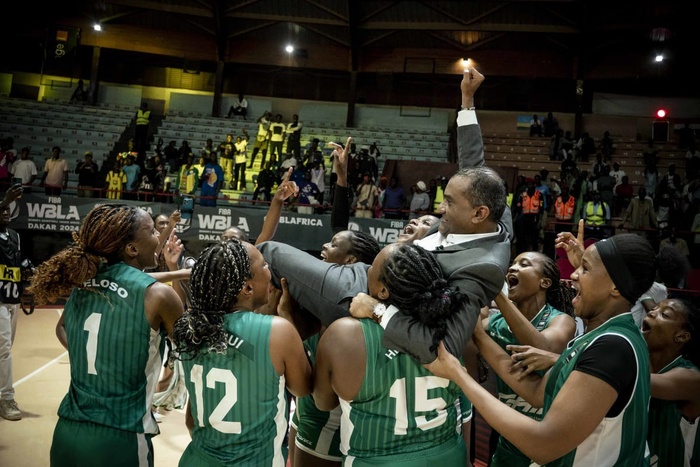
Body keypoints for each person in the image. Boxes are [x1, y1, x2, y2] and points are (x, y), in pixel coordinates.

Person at [259, 67, 513, 365]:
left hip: (366, 294)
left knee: (267, 252)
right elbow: (474, 163)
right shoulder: (494, 210)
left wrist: (377, 310)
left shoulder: (483, 267)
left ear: (478, 213)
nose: (440, 209)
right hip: (365, 273)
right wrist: (467, 100)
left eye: (450, 203)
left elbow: (446, 346)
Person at [426, 233, 656, 466]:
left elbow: (543, 445)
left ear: (615, 287)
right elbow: (536, 392)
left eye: (584, 269)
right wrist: (479, 337)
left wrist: (459, 375)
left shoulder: (612, 345)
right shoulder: (602, 336)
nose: (574, 274)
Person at [28, 204, 184, 466]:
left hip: (67, 433)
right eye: (152, 232)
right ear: (132, 249)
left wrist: (94, 357)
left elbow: (61, 327)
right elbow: (191, 350)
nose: (159, 237)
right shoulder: (159, 295)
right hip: (120, 438)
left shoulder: (83, 284)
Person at [313, 242, 469, 466]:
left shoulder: (345, 334)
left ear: (383, 291)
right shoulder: (456, 328)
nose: (366, 272)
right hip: (449, 454)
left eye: (371, 269)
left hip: (376, 459)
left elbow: (323, 402)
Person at [171, 239, 312, 466]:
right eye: (265, 266)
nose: (270, 272)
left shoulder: (189, 329)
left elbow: (191, 420)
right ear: (247, 288)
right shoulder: (278, 331)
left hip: (197, 458)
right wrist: (286, 315)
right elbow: (303, 388)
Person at [480, 251, 577, 466]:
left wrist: (498, 294)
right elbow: (473, 336)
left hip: (546, 432)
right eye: (512, 264)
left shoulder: (561, 321)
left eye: (523, 264)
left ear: (544, 282)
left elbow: (542, 346)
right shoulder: (496, 322)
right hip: (508, 429)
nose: (512, 268)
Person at [643, 298, 700, 467]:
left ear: (681, 336)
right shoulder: (644, 360)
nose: (651, 312)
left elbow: (638, 380)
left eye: (664, 314)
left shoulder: (691, 377)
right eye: (654, 308)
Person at [0, 184, 26, 421]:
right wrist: (5, 199)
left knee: (4, 349)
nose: (6, 210)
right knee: (4, 349)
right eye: (2, 207)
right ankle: (7, 397)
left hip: (12, 298)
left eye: (8, 208)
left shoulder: (15, 236)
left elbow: (15, 267)